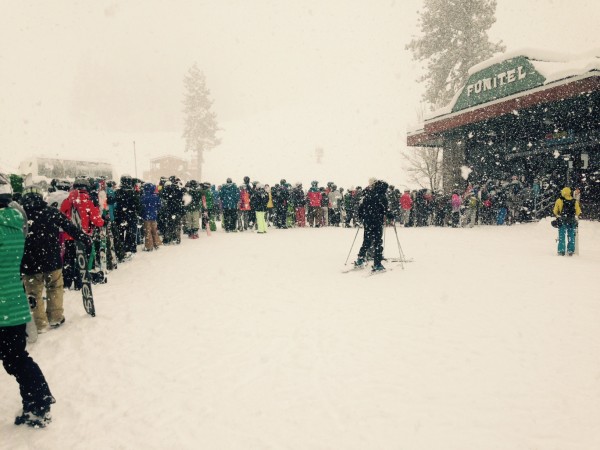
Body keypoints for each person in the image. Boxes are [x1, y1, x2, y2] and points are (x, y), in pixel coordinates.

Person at [0, 176, 56, 428]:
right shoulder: (15, 223)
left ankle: (38, 402)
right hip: (12, 302)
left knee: (15, 359)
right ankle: (37, 403)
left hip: (4, 304)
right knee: (16, 358)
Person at [21, 186, 92, 332]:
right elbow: (69, 227)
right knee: (55, 287)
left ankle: (39, 322)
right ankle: (55, 317)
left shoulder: (21, 216)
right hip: (51, 258)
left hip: (29, 261)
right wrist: (84, 238)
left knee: (33, 292)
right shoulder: (51, 212)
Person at [353, 180, 391, 272]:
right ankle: (377, 264)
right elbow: (386, 210)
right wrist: (390, 215)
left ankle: (360, 259)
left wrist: (362, 217)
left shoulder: (368, 195)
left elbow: (361, 209)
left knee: (367, 240)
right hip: (377, 222)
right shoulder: (382, 197)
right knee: (377, 242)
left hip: (368, 222)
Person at [553, 186, 581, 256]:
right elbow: (578, 212)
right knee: (571, 235)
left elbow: (555, 211)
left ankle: (561, 250)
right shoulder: (574, 201)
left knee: (562, 235)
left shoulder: (559, 200)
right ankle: (570, 250)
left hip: (562, 220)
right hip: (571, 221)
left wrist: (558, 215)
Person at [140, 182, 162, 250]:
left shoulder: (143, 197)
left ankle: (149, 246)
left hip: (146, 216)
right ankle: (156, 244)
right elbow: (159, 206)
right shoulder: (156, 196)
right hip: (154, 216)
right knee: (154, 230)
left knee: (147, 232)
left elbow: (140, 207)